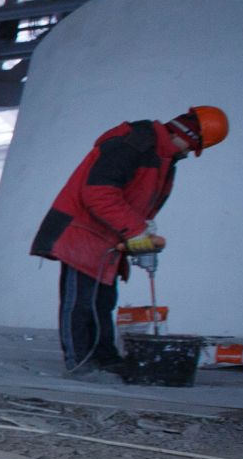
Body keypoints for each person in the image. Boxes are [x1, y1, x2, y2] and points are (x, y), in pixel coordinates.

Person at [30, 105, 227, 378]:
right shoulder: (134, 143)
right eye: (193, 148)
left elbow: (136, 200)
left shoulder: (161, 157)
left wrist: (144, 231)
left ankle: (106, 358)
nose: (188, 155)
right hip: (80, 231)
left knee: (103, 301)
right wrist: (137, 232)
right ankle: (79, 361)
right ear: (189, 136)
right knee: (80, 302)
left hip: (106, 235)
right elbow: (98, 193)